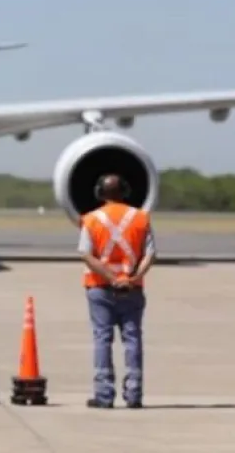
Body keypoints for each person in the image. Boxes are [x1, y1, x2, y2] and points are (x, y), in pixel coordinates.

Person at [78, 173, 155, 410]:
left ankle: (104, 395)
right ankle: (134, 394)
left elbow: (85, 254)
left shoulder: (91, 219)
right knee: (133, 338)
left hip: (100, 288)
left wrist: (111, 278)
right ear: (125, 191)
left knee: (102, 338)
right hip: (132, 290)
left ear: (100, 192)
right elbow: (150, 254)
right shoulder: (141, 218)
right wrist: (132, 279)